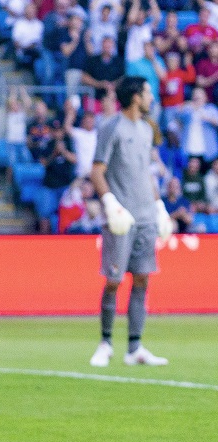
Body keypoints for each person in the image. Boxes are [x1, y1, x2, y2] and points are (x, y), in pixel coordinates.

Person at [89, 75, 174, 368]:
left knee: (142, 278)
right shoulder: (111, 126)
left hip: (146, 215)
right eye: (148, 93)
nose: (152, 98)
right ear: (136, 97)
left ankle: (135, 347)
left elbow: (145, 171)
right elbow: (97, 170)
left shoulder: (147, 129)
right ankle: (105, 342)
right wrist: (110, 204)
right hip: (121, 218)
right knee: (113, 280)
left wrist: (159, 206)